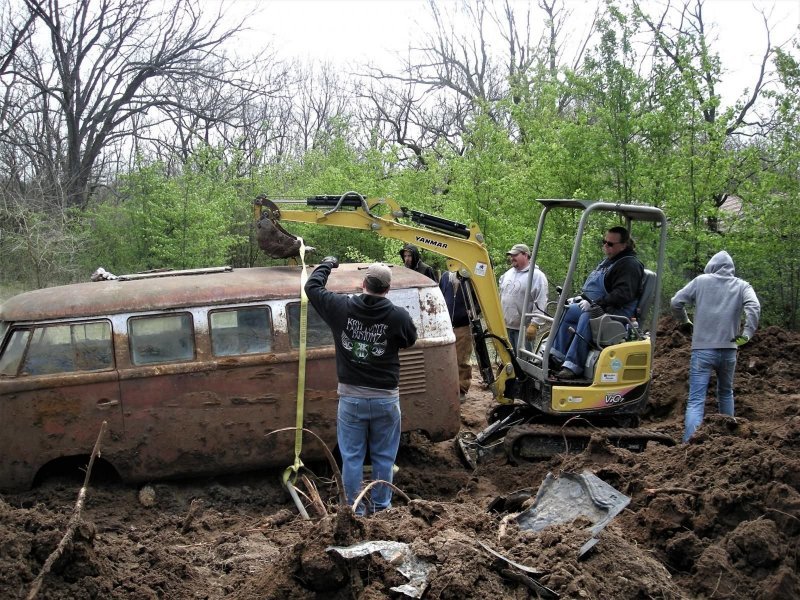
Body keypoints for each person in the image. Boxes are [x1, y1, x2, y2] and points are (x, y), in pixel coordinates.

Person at [305, 258, 418, 515]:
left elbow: (312, 287)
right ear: (387, 289)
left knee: (352, 457)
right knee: (384, 457)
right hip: (385, 399)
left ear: (363, 283)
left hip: (351, 398)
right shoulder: (398, 315)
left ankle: (353, 510)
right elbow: (409, 339)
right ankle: (380, 508)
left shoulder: (340, 307)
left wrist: (327, 265)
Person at [670, 250, 760, 443]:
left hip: (702, 350)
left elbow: (676, 302)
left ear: (711, 267)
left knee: (696, 401)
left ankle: (690, 444)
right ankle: (728, 441)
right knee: (726, 392)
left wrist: (684, 321)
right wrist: (746, 335)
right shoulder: (742, 285)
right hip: (729, 350)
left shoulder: (701, 281)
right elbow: (754, 307)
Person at [552, 227, 643, 379]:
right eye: (604, 242)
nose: (606, 246)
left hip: (618, 312)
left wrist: (596, 303)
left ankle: (573, 365)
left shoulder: (629, 266)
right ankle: (557, 356)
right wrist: (580, 298)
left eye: (610, 244)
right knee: (568, 310)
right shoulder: (609, 261)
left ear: (624, 245)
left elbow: (623, 294)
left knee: (587, 317)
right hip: (600, 306)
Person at [498, 243, 549, 352]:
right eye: (511, 255)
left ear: (525, 255)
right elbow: (500, 296)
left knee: (523, 363)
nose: (512, 258)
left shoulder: (537, 276)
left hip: (524, 329)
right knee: (507, 361)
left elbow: (541, 301)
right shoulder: (507, 274)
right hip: (505, 327)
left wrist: (534, 324)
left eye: (515, 255)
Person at [439, 270, 475, 402]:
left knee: (462, 358)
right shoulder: (445, 277)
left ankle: (461, 389)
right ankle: (446, 387)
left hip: (464, 325)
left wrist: (473, 311)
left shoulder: (471, 278)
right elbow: (440, 295)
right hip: (446, 325)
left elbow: (480, 300)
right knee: (444, 358)